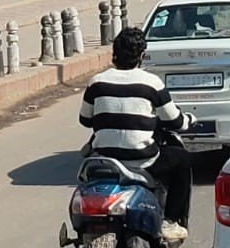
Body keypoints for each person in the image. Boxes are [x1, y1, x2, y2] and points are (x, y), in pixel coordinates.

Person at [80, 27, 192, 242]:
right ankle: (170, 220)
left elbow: (85, 120)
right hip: (143, 161)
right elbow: (175, 121)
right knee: (182, 159)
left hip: (104, 160)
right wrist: (189, 120)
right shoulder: (152, 83)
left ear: (114, 54)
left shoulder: (96, 82)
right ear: (142, 55)